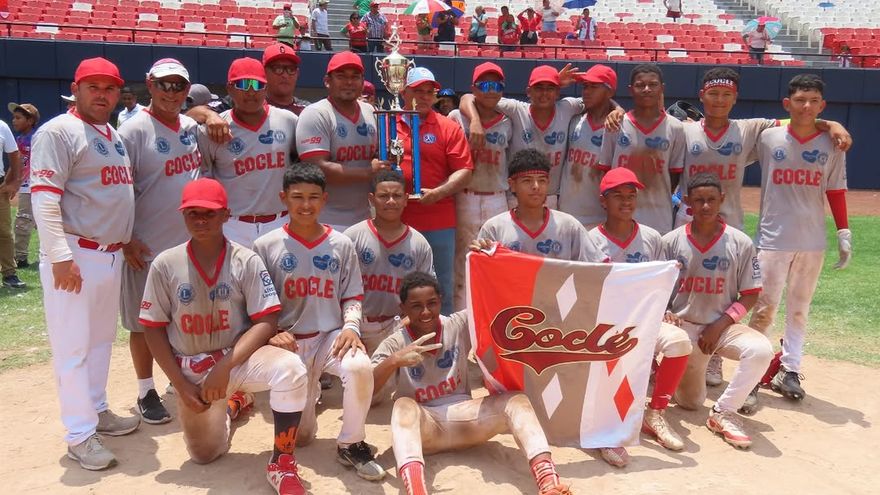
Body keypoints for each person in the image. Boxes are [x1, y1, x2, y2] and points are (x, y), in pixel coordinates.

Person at [138, 178, 310, 494]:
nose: (201, 220)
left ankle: (282, 463)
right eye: (193, 213)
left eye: (210, 213)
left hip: (238, 359)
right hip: (193, 370)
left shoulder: (246, 259)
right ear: (183, 215)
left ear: (226, 215)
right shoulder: (166, 263)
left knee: (291, 369)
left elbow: (267, 320)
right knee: (204, 454)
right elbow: (152, 327)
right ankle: (233, 406)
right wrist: (181, 386)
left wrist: (225, 366)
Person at [31, 57, 141, 470]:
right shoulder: (58, 131)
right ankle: (79, 434)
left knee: (100, 340)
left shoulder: (112, 134)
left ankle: (96, 409)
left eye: (110, 88)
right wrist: (60, 256)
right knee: (73, 346)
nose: (102, 95)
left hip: (109, 254)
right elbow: (45, 199)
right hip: (75, 252)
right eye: (93, 86)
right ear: (75, 89)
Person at [371, 271, 572, 495]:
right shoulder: (395, 343)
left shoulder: (458, 324)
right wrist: (394, 361)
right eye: (416, 306)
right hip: (426, 429)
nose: (426, 312)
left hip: (468, 420)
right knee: (402, 406)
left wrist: (492, 262)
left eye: (432, 303)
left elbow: (496, 299)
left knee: (517, 401)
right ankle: (416, 491)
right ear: (403, 309)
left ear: (441, 301)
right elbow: (367, 391)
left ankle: (549, 483)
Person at [253, 163, 386, 481]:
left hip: (329, 337)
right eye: (297, 197)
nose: (306, 205)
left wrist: (351, 327)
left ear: (325, 199)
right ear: (283, 198)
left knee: (359, 366)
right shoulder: (265, 245)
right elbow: (256, 303)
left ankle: (351, 442)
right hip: (287, 345)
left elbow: (352, 294)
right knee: (302, 437)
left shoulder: (341, 243)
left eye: (313, 197)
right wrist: (272, 332)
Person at [749, 74, 850, 403]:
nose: (806, 106)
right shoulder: (768, 138)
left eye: (813, 101)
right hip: (772, 238)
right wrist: (830, 122)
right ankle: (751, 374)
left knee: (799, 310)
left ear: (822, 105)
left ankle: (789, 370)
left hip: (811, 240)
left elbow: (835, 189)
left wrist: (843, 231)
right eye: (800, 100)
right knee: (763, 309)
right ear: (786, 104)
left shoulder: (833, 144)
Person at [587, 167, 693, 467]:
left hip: (645, 320)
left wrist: (666, 309)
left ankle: (655, 412)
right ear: (603, 201)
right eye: (618, 196)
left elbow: (660, 283)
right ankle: (605, 430)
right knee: (609, 364)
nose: (626, 201)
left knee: (679, 341)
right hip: (605, 324)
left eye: (631, 196)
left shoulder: (651, 238)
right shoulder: (590, 240)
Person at [116, 58, 202, 426]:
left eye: (178, 85)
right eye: (164, 85)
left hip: (187, 246)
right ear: (149, 85)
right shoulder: (133, 131)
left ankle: (177, 378)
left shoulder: (191, 128)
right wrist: (126, 239)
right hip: (146, 247)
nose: (171, 92)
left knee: (182, 319)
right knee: (143, 324)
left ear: (187, 90)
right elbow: (117, 189)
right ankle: (144, 390)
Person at [664, 172, 773, 450]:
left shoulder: (740, 242)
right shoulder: (670, 241)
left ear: (722, 199)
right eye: (698, 200)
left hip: (721, 328)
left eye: (711, 200)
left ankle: (723, 412)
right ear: (686, 201)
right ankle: (669, 376)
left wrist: (720, 324)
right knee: (690, 402)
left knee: (761, 350)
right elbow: (655, 289)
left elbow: (750, 294)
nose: (705, 206)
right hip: (683, 331)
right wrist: (665, 311)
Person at [396, 67, 474, 315]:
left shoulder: (447, 127)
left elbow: (464, 170)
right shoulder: (387, 123)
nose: (424, 96)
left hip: (438, 220)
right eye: (418, 91)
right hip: (397, 220)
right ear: (404, 92)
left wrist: (438, 193)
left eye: (429, 92)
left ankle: (444, 335)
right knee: (398, 284)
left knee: (441, 286)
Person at [197, 57, 298, 248]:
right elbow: (204, 179)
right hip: (233, 224)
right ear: (229, 88)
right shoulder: (212, 129)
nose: (251, 92)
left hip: (280, 221)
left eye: (257, 85)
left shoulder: (288, 121)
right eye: (243, 84)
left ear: (266, 88)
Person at [459, 64, 586, 209]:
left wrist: (615, 110)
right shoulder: (516, 109)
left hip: (551, 196)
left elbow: (598, 101)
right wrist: (475, 120)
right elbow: (469, 97)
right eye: (538, 88)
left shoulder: (567, 107)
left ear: (558, 93)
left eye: (550, 88)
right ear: (528, 92)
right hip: (516, 197)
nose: (544, 93)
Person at [343, 170, 434, 354]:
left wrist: (410, 320)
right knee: (358, 370)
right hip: (358, 325)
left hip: (400, 324)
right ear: (371, 199)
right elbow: (338, 288)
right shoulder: (352, 237)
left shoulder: (419, 242)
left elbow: (429, 292)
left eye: (397, 196)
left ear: (406, 199)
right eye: (384, 196)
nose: (391, 201)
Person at [296, 51, 388, 231]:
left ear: (362, 81)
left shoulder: (370, 111)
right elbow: (317, 168)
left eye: (355, 77)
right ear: (327, 81)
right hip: (324, 219)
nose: (349, 82)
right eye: (341, 76)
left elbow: (380, 156)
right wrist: (368, 172)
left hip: (364, 217)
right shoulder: (316, 113)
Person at [447, 62, 512, 310]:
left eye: (497, 86)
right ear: (473, 88)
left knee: (495, 255)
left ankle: (492, 312)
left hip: (497, 195)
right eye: (484, 85)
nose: (491, 91)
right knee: (463, 256)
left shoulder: (508, 120)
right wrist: (473, 119)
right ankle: (462, 315)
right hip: (465, 196)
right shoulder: (456, 117)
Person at [596, 64, 685, 235]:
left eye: (653, 84)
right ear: (630, 89)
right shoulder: (615, 124)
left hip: (659, 215)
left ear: (662, 88)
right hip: (620, 214)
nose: (646, 89)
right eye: (640, 85)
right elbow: (606, 170)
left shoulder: (675, 127)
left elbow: (674, 175)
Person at [475, 149, 602, 262]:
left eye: (542, 180)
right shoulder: (494, 228)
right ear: (512, 184)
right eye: (527, 180)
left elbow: (599, 265)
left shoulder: (568, 226)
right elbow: (481, 271)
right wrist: (478, 254)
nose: (536, 186)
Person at [559, 65, 617, 229]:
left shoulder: (617, 126)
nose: (587, 91)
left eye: (594, 87)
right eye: (585, 86)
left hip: (599, 217)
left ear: (610, 92)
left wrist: (617, 109)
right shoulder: (574, 119)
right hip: (566, 212)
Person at [8, 102, 38, 269]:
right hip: (25, 185)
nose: (14, 121)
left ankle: (20, 258)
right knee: (33, 220)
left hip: (35, 184)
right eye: (14, 117)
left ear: (30, 120)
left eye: (18, 118)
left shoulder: (37, 138)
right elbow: (16, 163)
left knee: (23, 220)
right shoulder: (19, 139)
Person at [0, 113, 24, 288]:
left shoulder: (1, 126)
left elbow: (14, 154)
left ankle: (9, 273)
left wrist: (15, 181)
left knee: (4, 232)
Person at [263, 43, 312, 116]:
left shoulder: (309, 111)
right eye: (278, 69)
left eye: (291, 69)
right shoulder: (255, 110)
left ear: (297, 73)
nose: (285, 75)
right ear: (264, 73)